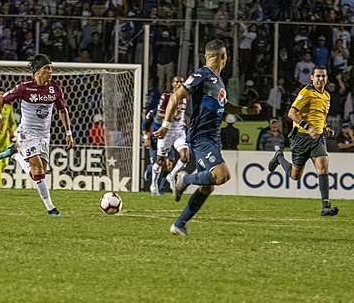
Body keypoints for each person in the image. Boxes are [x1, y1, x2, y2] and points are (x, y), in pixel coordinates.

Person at [154, 39, 261, 236]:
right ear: (224, 57)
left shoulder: (217, 80)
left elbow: (226, 105)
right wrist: (166, 126)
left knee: (208, 186)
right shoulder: (202, 74)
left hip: (213, 136)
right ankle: (184, 179)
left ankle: (179, 224)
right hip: (202, 135)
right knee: (222, 175)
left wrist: (247, 110)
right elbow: (176, 96)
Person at [0, 54, 74, 217]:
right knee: (37, 168)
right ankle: (51, 209)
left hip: (44, 135)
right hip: (27, 133)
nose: (51, 72)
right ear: (37, 71)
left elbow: (62, 110)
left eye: (51, 68)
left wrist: (68, 132)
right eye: (47, 68)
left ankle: (16, 155)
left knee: (40, 172)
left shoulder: (55, 88)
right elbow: (2, 100)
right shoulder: (24, 88)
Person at [268, 66, 339, 216]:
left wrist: (326, 127)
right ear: (311, 77)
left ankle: (326, 206)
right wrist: (308, 127)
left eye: (324, 76)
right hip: (301, 138)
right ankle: (279, 157)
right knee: (295, 176)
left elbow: (320, 116)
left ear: (327, 79)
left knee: (323, 166)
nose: (321, 79)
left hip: (318, 138)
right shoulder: (306, 92)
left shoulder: (326, 96)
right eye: (318, 76)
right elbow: (291, 113)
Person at [143, 76, 189, 196]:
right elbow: (158, 114)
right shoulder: (166, 96)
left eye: (181, 82)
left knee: (185, 157)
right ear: (173, 84)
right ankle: (153, 185)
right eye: (177, 82)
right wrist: (171, 113)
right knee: (160, 161)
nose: (179, 84)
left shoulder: (185, 97)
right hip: (166, 131)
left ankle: (171, 175)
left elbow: (183, 115)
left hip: (179, 132)